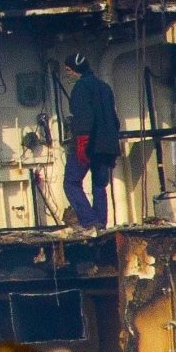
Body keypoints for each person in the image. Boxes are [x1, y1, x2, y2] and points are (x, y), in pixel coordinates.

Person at [62, 53, 120, 228]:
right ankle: (100, 223)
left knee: (71, 182)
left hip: (89, 143)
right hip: (107, 145)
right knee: (99, 185)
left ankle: (89, 221)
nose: (68, 74)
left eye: (68, 70)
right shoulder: (105, 87)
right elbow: (113, 119)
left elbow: (83, 116)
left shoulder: (81, 87)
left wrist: (82, 142)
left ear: (76, 69)